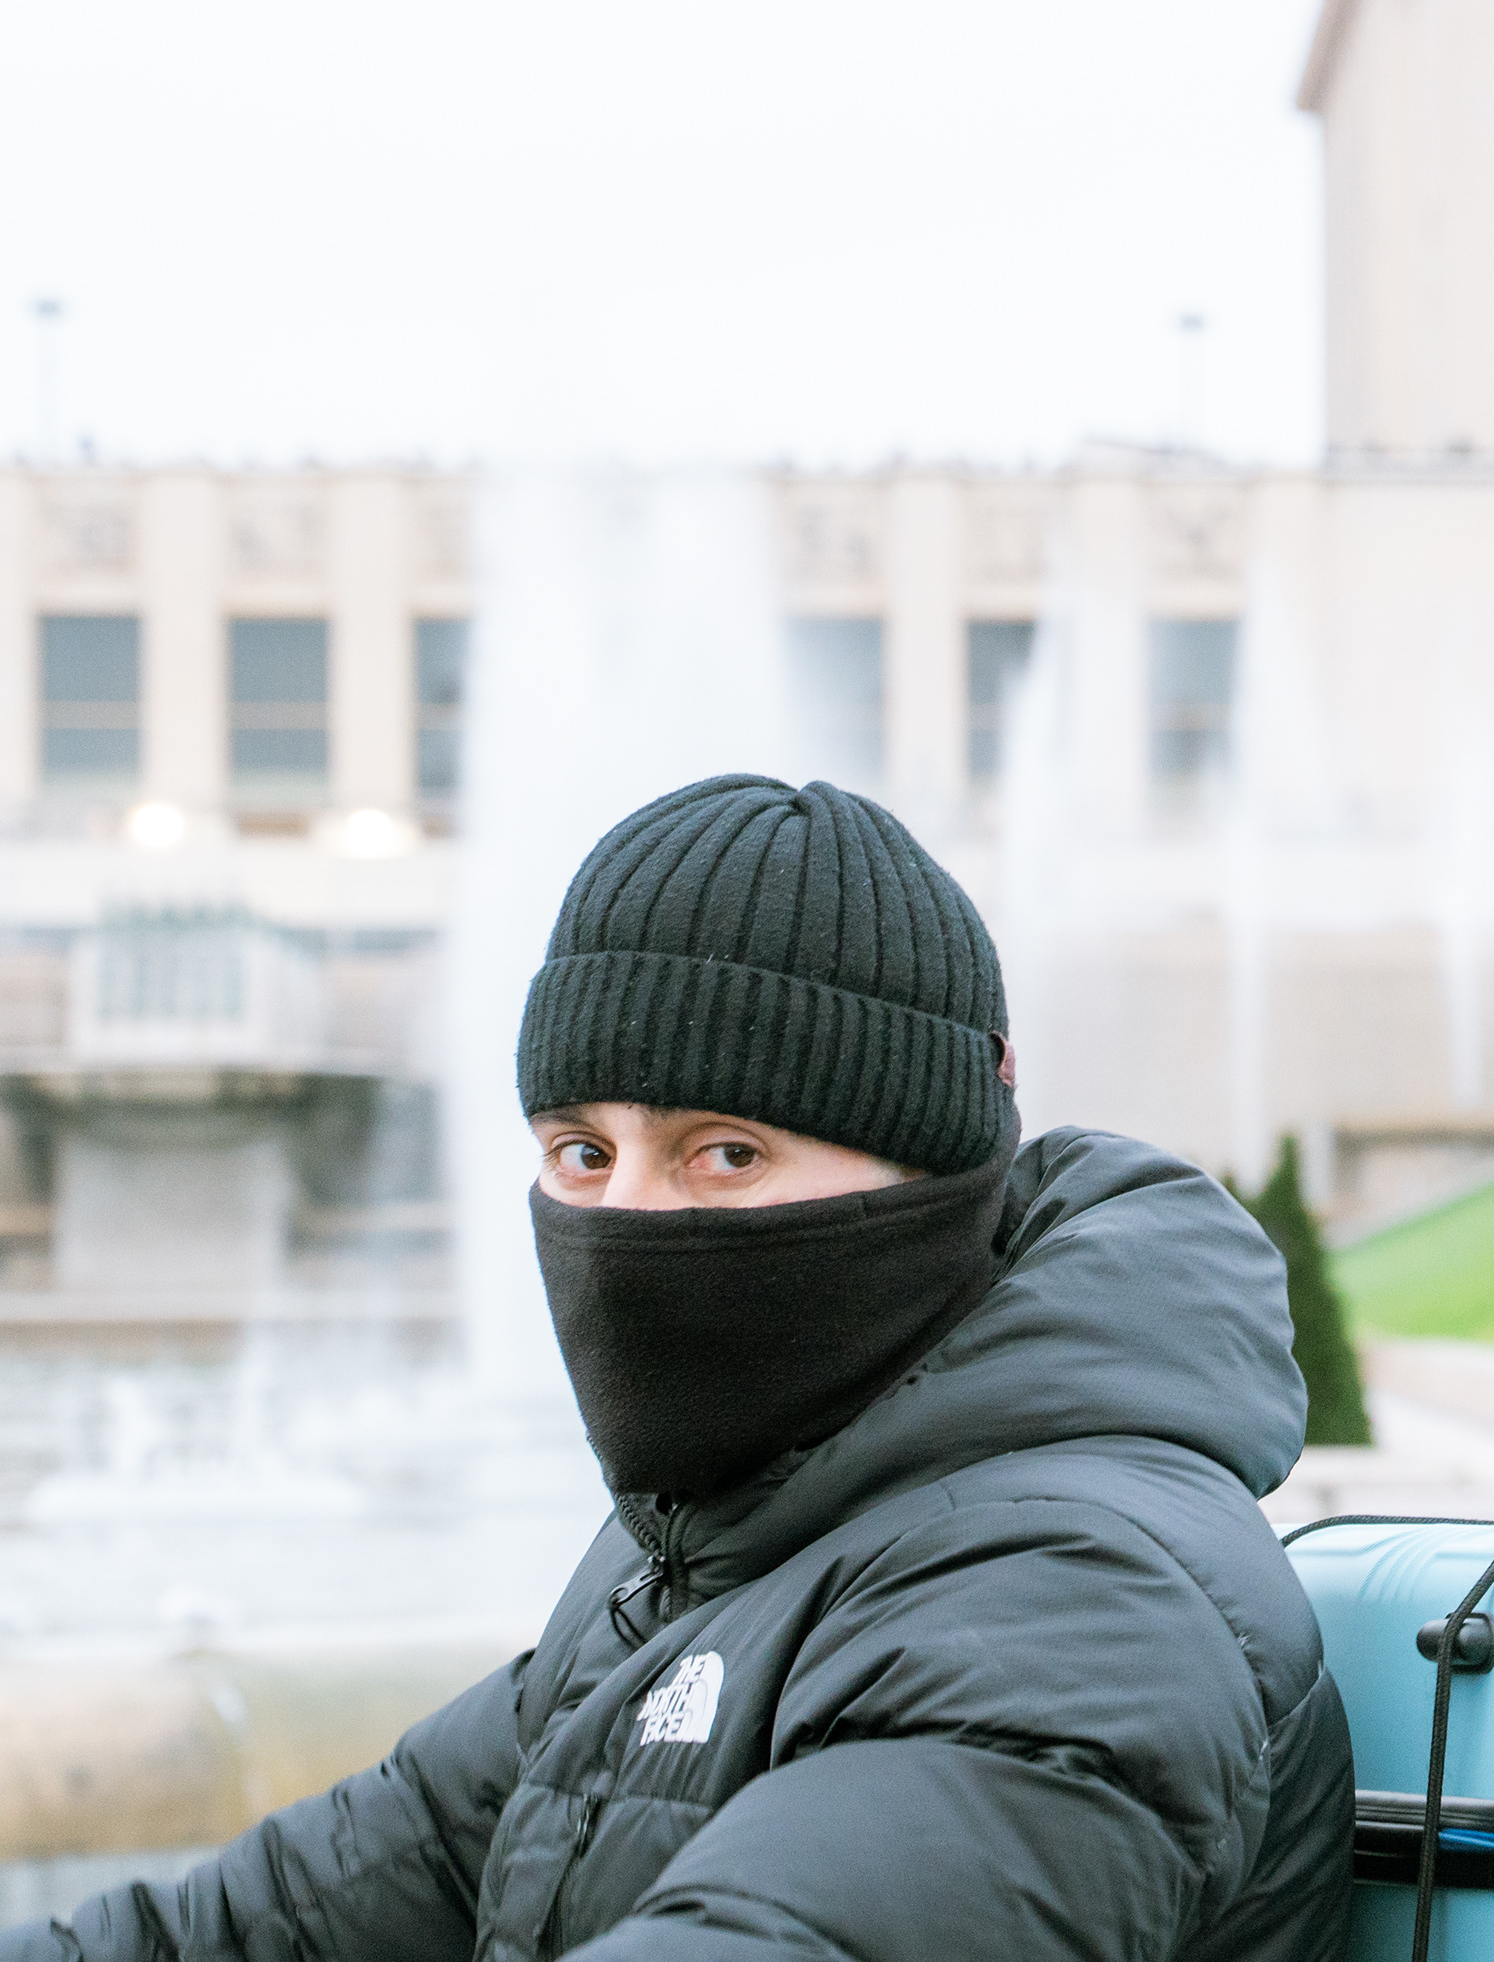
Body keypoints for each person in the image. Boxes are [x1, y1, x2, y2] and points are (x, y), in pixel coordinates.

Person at [14, 774, 1355, 1962]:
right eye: (582, 1153)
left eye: (725, 1153)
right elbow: (294, 1913)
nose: (627, 1224)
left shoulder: (1074, 1604)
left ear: (937, 1174)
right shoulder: (704, 1544)